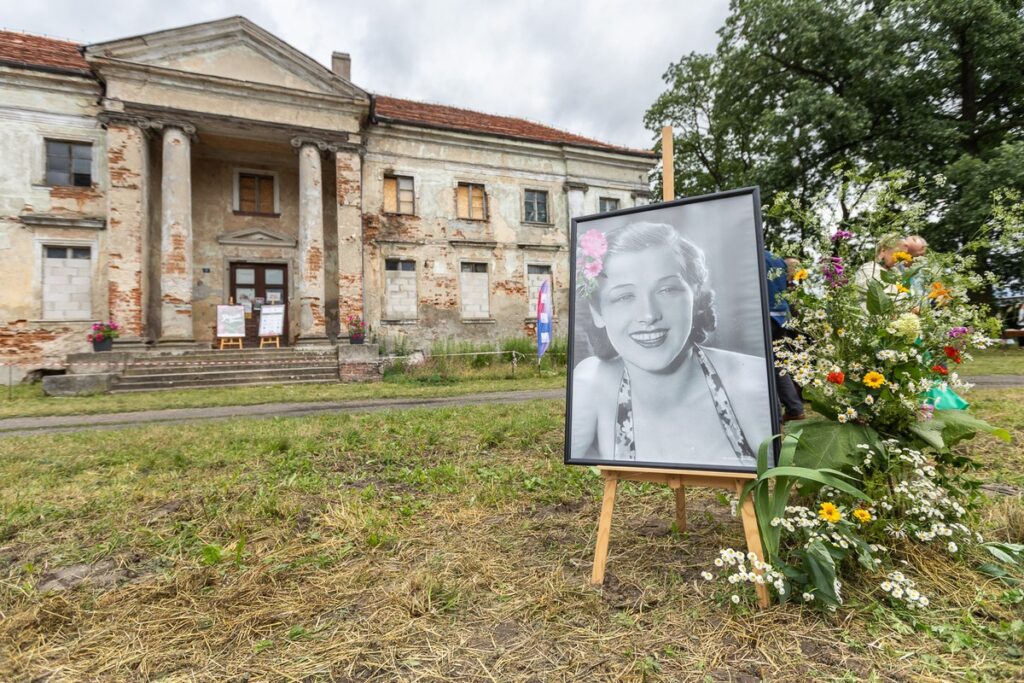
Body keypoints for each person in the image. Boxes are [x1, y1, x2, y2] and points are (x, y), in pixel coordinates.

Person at [570, 222, 771, 467]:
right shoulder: (591, 383)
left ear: (696, 295)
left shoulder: (750, 379)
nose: (648, 315)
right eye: (624, 296)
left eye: (666, 290)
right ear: (597, 312)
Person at [765, 250, 805, 422]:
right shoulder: (777, 259)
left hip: (766, 315)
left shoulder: (753, 255)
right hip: (781, 316)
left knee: (764, 363)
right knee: (777, 364)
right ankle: (794, 408)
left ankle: (774, 414)